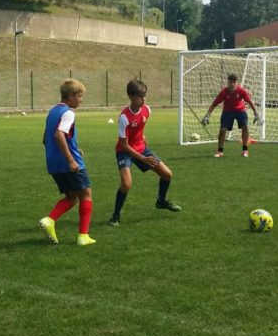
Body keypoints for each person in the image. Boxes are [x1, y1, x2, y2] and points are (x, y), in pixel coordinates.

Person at [108, 79, 181, 227]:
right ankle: (115, 216)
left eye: (144, 95)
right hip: (125, 152)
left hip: (142, 148)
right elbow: (124, 144)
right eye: (140, 96)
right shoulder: (124, 117)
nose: (144, 99)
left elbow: (139, 130)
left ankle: (161, 201)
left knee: (167, 174)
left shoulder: (147, 110)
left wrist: (143, 142)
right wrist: (143, 158)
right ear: (131, 97)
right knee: (126, 184)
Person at [38, 79, 96, 246]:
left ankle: (50, 220)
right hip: (68, 162)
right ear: (71, 96)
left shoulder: (52, 112)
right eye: (79, 96)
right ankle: (83, 236)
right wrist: (71, 159)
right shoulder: (68, 113)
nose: (81, 99)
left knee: (71, 197)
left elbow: (45, 139)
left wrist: (74, 148)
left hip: (53, 163)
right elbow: (59, 135)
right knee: (86, 195)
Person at [202, 73, 260, 157]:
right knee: (222, 130)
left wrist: (256, 113)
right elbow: (214, 104)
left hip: (240, 111)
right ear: (228, 82)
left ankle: (245, 151)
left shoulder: (241, 91)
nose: (232, 84)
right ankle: (220, 151)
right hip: (227, 112)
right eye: (230, 82)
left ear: (236, 82)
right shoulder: (223, 92)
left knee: (245, 127)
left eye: (234, 82)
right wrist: (207, 115)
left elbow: (249, 102)